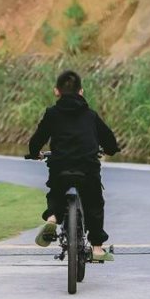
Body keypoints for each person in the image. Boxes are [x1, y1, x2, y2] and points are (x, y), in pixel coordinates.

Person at [27, 69, 120, 262]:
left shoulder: (52, 114)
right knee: (94, 202)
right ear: (81, 92)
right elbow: (110, 142)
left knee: (56, 192)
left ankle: (52, 218)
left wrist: (35, 153)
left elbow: (37, 140)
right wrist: (109, 150)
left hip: (60, 166)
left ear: (56, 91)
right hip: (87, 168)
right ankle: (97, 248)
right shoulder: (90, 115)